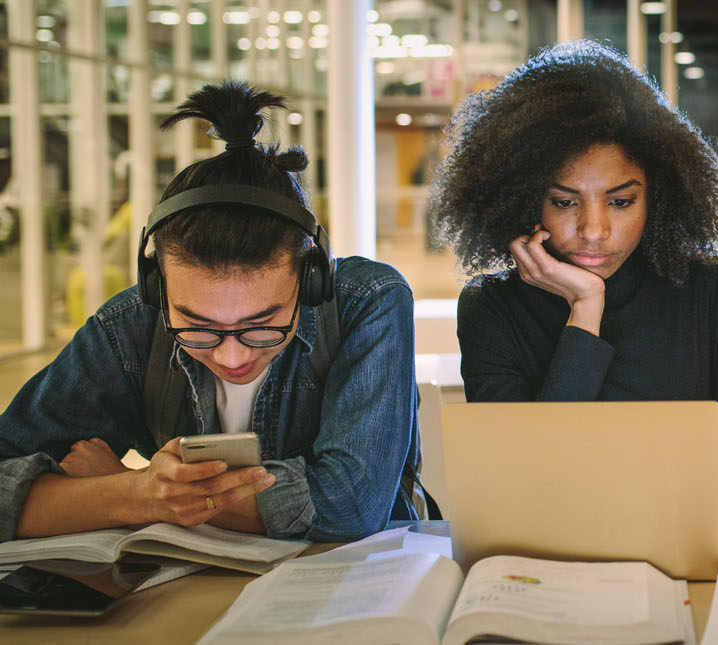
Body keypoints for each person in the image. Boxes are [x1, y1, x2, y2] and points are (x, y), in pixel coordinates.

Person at [0, 82, 423, 542]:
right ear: (156, 286)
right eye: (198, 327)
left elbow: (351, 506)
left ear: (312, 278)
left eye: (262, 326)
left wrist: (121, 492)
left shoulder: (367, 302)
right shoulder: (129, 326)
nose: (232, 358)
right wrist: (138, 493)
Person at [427, 40, 718, 517]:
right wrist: (585, 309)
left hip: (684, 547)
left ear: (658, 196)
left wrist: (705, 506)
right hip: (548, 558)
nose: (593, 230)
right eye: (565, 202)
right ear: (525, 200)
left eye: (621, 201)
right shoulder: (491, 307)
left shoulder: (702, 285)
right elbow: (526, 478)